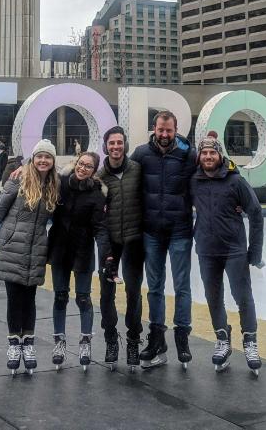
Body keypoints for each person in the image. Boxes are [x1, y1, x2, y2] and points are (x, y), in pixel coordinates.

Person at [0, 139, 60, 376]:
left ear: (53, 161)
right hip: (11, 247)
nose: (43, 160)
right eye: (40, 156)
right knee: (14, 298)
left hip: (35, 249)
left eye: (48, 157)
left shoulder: (55, 184)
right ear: (32, 158)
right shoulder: (18, 179)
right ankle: (14, 344)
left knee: (30, 298)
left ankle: (28, 344)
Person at [191, 133, 263, 373]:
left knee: (243, 297)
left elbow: (256, 213)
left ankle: (250, 341)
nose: (208, 156)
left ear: (220, 155)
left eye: (212, 152)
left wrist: (254, 252)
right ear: (199, 156)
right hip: (206, 249)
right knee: (213, 297)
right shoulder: (194, 181)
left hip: (234, 250)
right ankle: (222, 338)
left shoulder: (236, 182)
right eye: (204, 153)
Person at [130, 110, 196, 368]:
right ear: (154, 129)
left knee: (182, 286)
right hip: (151, 232)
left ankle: (182, 336)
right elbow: (118, 174)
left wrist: (236, 202)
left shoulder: (189, 156)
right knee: (155, 287)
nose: (165, 135)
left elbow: (214, 173)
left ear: (176, 129)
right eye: (161, 130)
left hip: (180, 230)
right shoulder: (141, 154)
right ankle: (157, 338)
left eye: (169, 130)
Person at [48, 150, 110, 371]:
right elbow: (39, 169)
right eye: (81, 164)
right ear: (75, 164)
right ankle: (59, 343)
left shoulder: (96, 193)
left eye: (88, 166)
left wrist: (106, 255)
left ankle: (85, 341)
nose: (83, 168)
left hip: (82, 250)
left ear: (94, 171)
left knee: (83, 297)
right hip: (59, 249)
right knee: (60, 296)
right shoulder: (61, 183)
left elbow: (100, 228)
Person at [97, 125, 145, 371]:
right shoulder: (99, 176)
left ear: (125, 145)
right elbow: (96, 216)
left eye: (119, 143)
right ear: (105, 146)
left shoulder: (137, 169)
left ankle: (134, 339)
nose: (116, 147)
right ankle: (110, 339)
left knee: (134, 293)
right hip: (110, 242)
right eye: (111, 143)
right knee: (107, 294)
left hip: (135, 240)